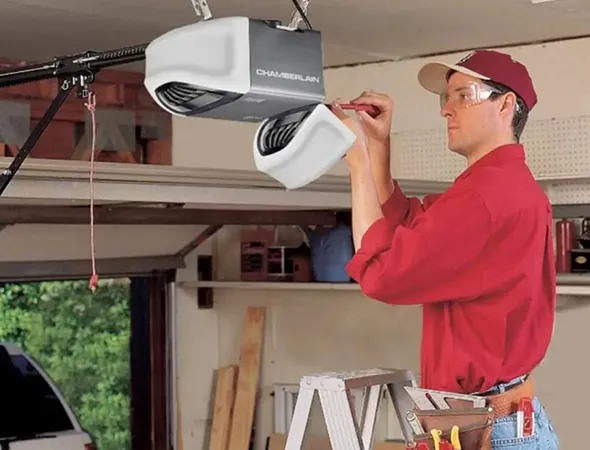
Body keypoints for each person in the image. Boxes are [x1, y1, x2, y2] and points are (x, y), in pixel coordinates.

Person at [330, 50, 559, 448]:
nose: (447, 110)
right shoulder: (496, 187)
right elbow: (405, 226)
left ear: (506, 104)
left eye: (463, 95)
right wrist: (379, 148)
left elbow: (382, 275)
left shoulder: (486, 199)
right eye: (445, 98)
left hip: (487, 430)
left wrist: (357, 164)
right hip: (491, 421)